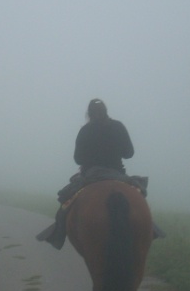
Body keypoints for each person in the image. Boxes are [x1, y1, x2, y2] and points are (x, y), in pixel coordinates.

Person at [38, 99, 158, 249]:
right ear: (106, 111)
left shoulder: (85, 130)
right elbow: (129, 153)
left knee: (65, 202)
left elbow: (78, 159)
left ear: (88, 114)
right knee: (139, 197)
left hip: (91, 176)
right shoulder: (118, 126)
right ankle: (151, 228)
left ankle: (58, 233)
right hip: (117, 174)